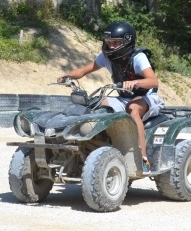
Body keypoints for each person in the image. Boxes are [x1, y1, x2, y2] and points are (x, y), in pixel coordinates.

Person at [57, 21, 164, 174]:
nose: (111, 46)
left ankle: (143, 159)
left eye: (116, 43)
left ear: (127, 42)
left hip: (147, 98)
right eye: (109, 42)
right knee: (94, 104)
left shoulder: (138, 57)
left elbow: (153, 81)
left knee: (133, 109)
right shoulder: (106, 58)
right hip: (124, 98)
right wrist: (66, 76)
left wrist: (135, 83)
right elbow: (83, 70)